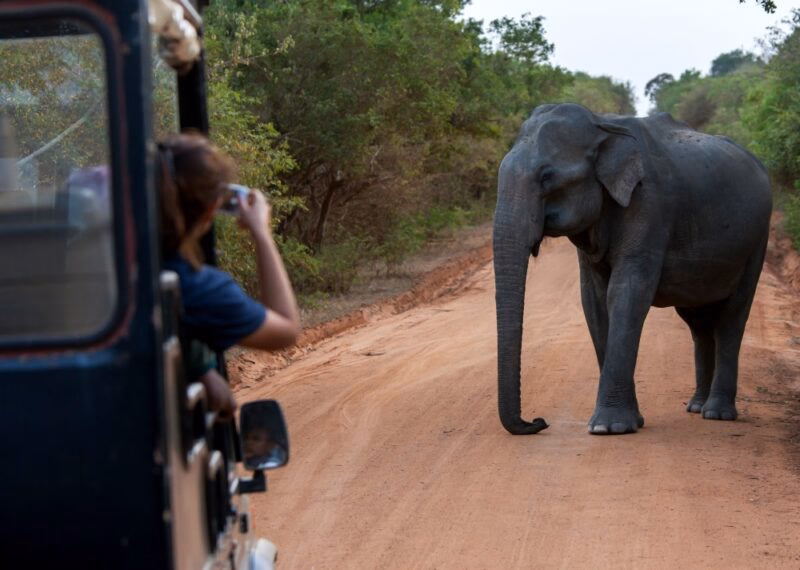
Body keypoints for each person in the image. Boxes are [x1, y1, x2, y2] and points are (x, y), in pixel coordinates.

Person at [157, 132, 300, 415]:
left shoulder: (114, 263)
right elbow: (286, 330)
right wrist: (261, 233)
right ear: (212, 209)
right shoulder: (197, 287)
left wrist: (202, 366)